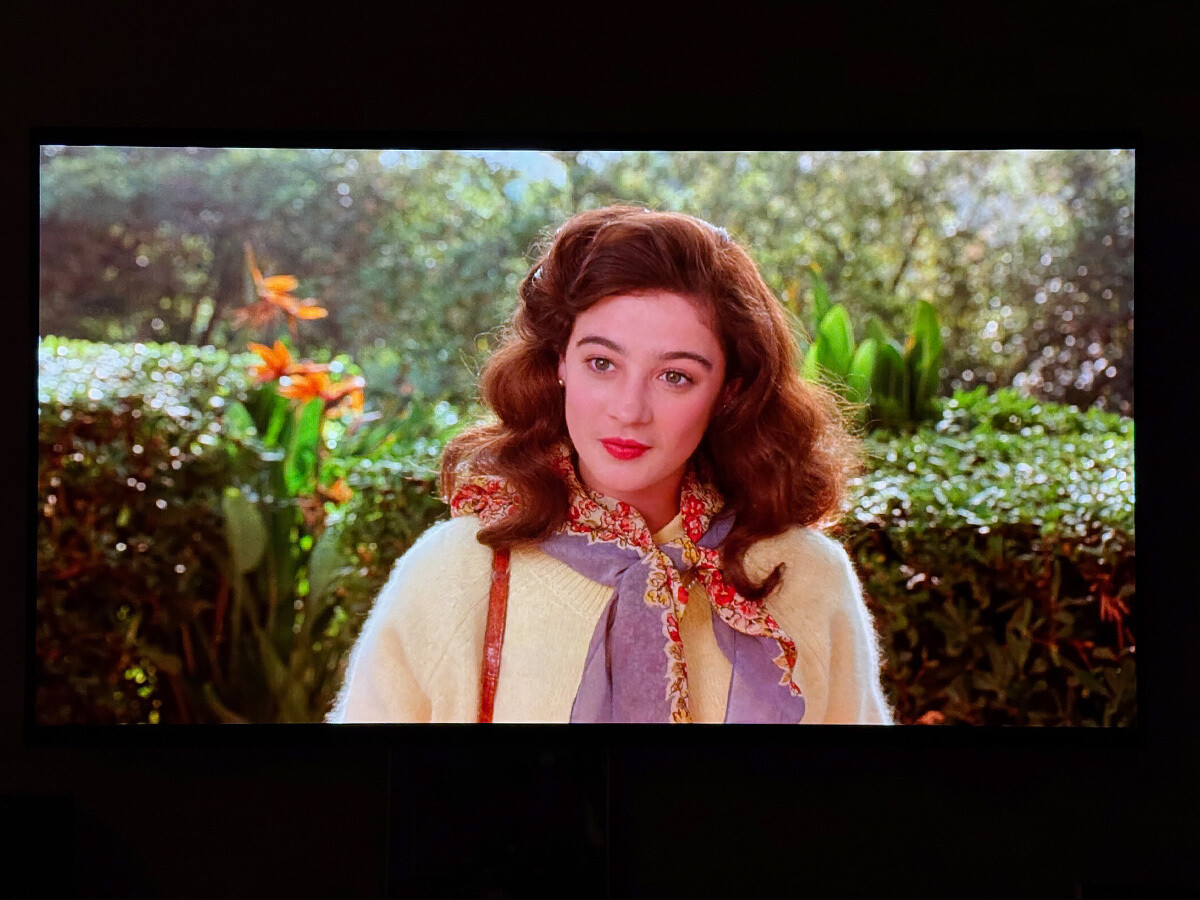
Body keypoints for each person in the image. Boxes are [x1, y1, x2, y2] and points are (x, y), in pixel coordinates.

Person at [328, 204, 893, 724]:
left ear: (728, 391)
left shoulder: (807, 578)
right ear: (560, 362)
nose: (628, 410)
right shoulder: (454, 572)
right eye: (602, 363)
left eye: (675, 376)